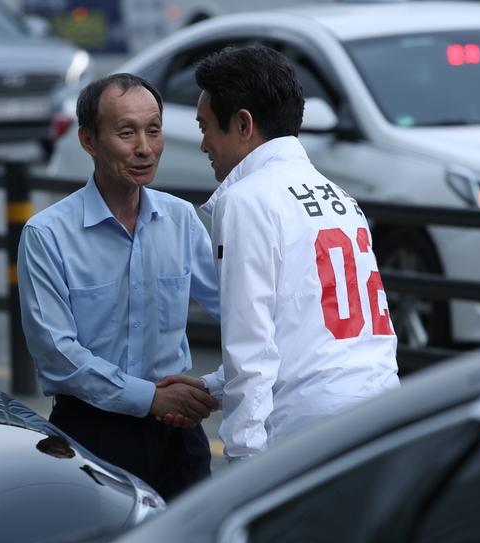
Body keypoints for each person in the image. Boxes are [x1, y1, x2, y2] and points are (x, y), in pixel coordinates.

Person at [160, 46, 399, 462]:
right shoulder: (340, 198)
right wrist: (213, 387)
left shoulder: (246, 199)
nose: (202, 144)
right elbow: (307, 332)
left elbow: (250, 348)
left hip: (309, 428)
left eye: (205, 127)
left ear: (242, 124)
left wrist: (244, 460)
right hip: (380, 411)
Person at [17, 73, 221, 500]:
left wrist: (215, 386)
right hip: (91, 432)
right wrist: (149, 398)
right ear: (89, 141)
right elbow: (56, 354)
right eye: (126, 133)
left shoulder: (182, 219)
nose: (144, 148)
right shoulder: (48, 234)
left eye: (154, 130)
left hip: (178, 433)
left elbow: (238, 309)